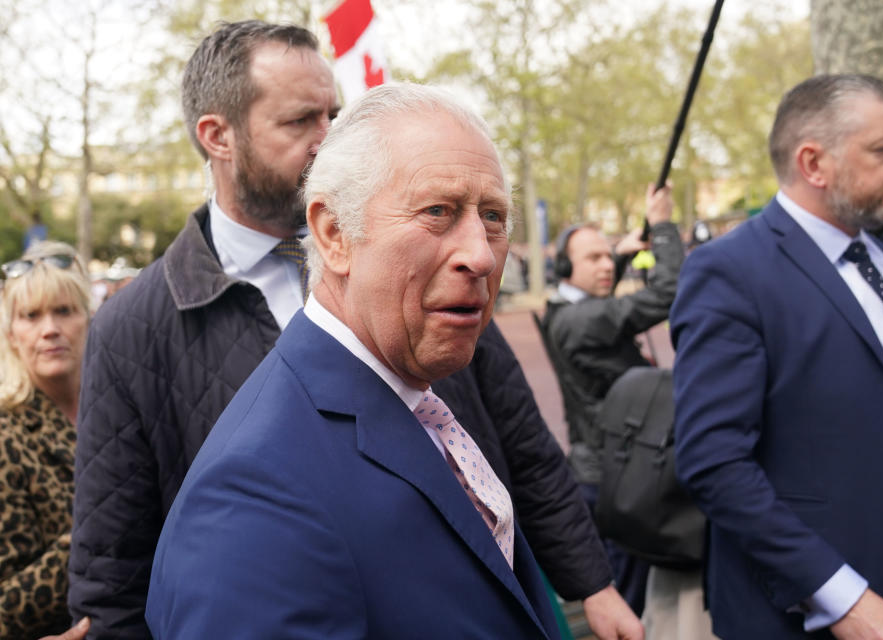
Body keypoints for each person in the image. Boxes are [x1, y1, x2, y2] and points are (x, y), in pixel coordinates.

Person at [70, 19, 641, 640]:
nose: (327, 139)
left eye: (333, 117)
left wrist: (593, 582)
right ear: (334, 237)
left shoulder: (436, 301)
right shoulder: (159, 359)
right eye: (300, 120)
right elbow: (118, 567)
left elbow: (523, 448)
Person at [145, 82, 559, 638]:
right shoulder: (255, 496)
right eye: (438, 211)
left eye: (493, 217)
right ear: (334, 233)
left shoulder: (414, 395)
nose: (481, 255)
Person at [671, 73, 883, 639]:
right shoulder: (730, 272)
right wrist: (843, 599)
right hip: (830, 619)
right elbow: (714, 463)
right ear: (814, 164)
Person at [541, 185, 684, 615]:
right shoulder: (583, 321)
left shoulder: (561, 309)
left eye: (608, 257)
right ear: (565, 267)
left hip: (602, 469)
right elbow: (668, 291)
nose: (607, 266)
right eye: (594, 258)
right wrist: (661, 227)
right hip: (614, 479)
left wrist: (619, 253)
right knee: (629, 600)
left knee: (629, 590)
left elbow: (598, 291)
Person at [0, 242, 91, 639]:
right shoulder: (6, 435)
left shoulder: (119, 409)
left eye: (64, 311)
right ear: (11, 334)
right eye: (31, 315)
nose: (49, 328)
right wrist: (103, 529)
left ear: (89, 318)